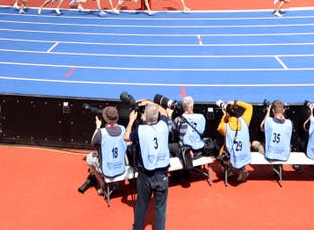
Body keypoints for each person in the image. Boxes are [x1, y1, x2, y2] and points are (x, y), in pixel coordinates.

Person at [128, 101, 172, 230]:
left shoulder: (141, 130)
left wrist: (131, 121)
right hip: (162, 175)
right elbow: (164, 112)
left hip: (145, 176)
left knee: (141, 204)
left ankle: (137, 228)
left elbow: (126, 137)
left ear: (144, 117)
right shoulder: (164, 125)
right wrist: (150, 102)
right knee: (160, 209)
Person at [81, 105, 127, 195]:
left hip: (107, 170)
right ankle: (116, 184)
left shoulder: (101, 132)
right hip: (121, 168)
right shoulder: (123, 129)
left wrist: (98, 126)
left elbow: (93, 142)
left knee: (89, 158)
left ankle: (102, 185)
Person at [170, 96, 215, 175]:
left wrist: (170, 116)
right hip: (199, 150)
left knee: (168, 146)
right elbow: (201, 132)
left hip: (186, 151)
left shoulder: (178, 120)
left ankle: (176, 173)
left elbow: (171, 130)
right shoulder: (201, 117)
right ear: (192, 106)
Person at [216, 99, 254, 183]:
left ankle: (228, 170)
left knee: (222, 149)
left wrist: (224, 116)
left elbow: (219, 127)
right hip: (245, 154)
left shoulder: (225, 127)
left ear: (228, 113)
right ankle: (242, 168)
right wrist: (235, 102)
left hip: (232, 156)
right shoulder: (244, 121)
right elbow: (249, 107)